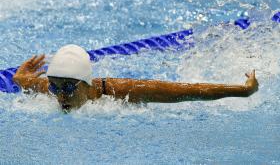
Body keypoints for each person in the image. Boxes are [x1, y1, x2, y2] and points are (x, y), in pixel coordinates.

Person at [13, 44, 259, 111]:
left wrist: (242, 90)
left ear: (86, 84)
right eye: (54, 87)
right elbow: (24, 81)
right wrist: (21, 76)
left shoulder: (125, 91)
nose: (60, 96)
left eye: (67, 87)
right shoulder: (52, 88)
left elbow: (189, 89)